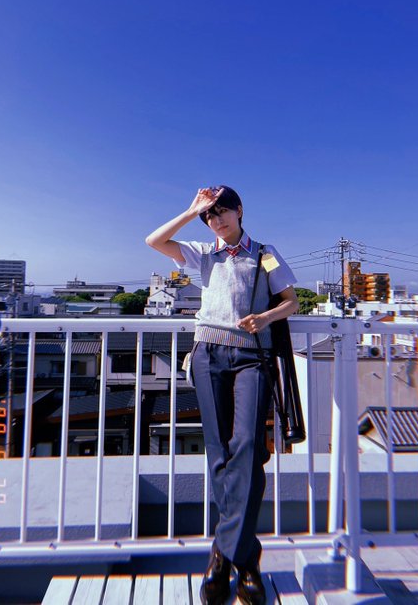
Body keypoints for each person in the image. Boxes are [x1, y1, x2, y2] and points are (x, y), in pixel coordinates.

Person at [146, 186, 298, 605]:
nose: (216, 220)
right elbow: (154, 240)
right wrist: (190, 210)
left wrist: (264, 316)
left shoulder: (265, 253)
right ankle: (246, 561)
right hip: (208, 355)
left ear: (240, 210)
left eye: (222, 211)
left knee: (248, 448)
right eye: (209, 216)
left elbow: (291, 301)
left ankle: (222, 554)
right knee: (219, 452)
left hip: (252, 357)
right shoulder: (202, 254)